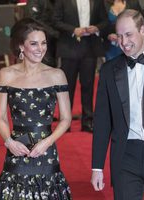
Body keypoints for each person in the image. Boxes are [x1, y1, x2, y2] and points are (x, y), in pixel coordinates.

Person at [0, 18, 72, 199]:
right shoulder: (6, 75)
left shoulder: (56, 75)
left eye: (43, 43)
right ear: (21, 46)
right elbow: (0, 117)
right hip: (17, 147)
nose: (40, 48)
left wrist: (48, 141)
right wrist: (9, 142)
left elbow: (66, 118)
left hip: (46, 149)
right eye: (34, 43)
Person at [91, 9, 144, 200]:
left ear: (143, 30)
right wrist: (97, 167)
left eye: (129, 34)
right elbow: (102, 121)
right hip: (125, 156)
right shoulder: (108, 71)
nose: (124, 42)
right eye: (119, 36)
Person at [53, 0, 108, 133]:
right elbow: (55, 21)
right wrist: (73, 30)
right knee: (67, 87)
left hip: (90, 47)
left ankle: (88, 121)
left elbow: (105, 21)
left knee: (88, 85)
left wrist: (97, 28)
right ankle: (65, 122)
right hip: (69, 48)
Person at [24, 0, 59, 67]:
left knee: (50, 65)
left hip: (50, 40)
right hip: (40, 40)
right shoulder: (35, 2)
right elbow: (33, 20)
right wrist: (54, 33)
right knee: (45, 65)